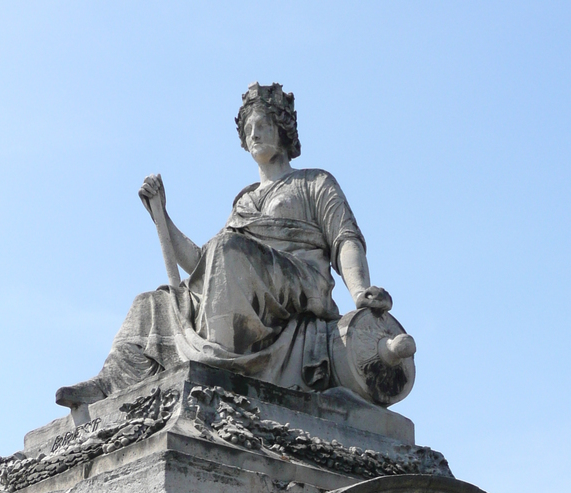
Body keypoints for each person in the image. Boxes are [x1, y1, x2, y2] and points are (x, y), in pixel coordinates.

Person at [56, 82, 394, 408]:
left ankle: (215, 365)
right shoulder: (244, 200)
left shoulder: (315, 182)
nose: (254, 134)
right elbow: (205, 266)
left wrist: (360, 290)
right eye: (248, 129)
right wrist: (162, 217)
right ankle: (111, 383)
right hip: (246, 282)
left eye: (262, 125)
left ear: (282, 128)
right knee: (152, 303)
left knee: (227, 248)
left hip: (299, 283)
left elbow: (345, 238)